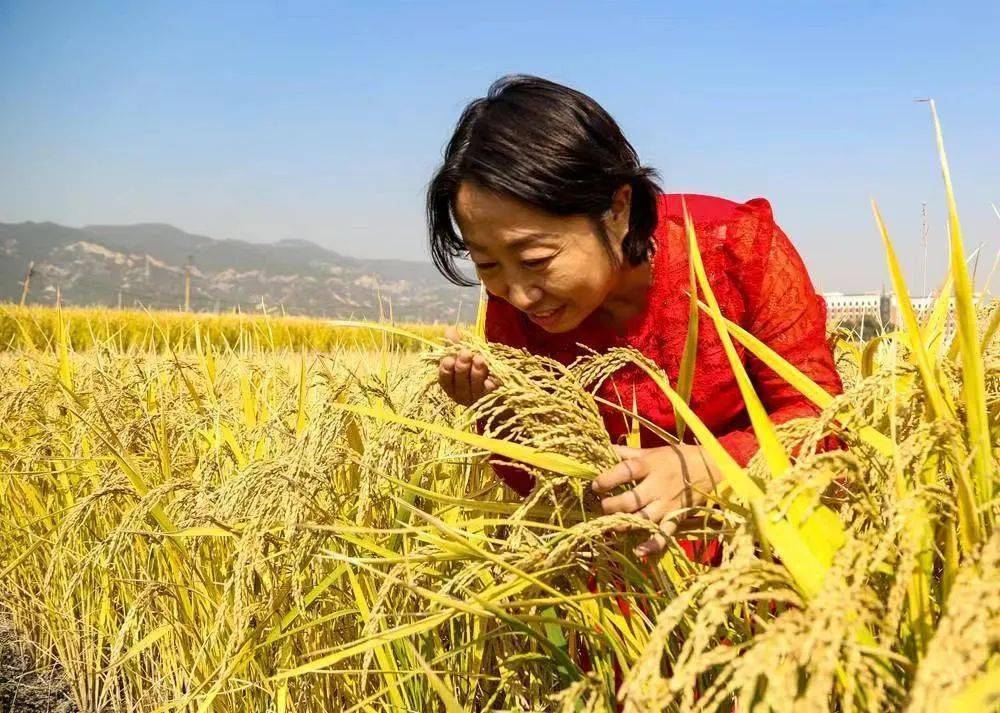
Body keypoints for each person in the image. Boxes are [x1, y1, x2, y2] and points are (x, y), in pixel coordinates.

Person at [427, 74, 843, 560]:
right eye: (488, 264)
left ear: (617, 208)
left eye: (537, 258)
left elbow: (823, 427)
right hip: (625, 583)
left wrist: (712, 467)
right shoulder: (518, 308)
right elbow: (543, 489)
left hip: (762, 558)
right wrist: (498, 415)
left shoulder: (737, 250)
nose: (517, 293)